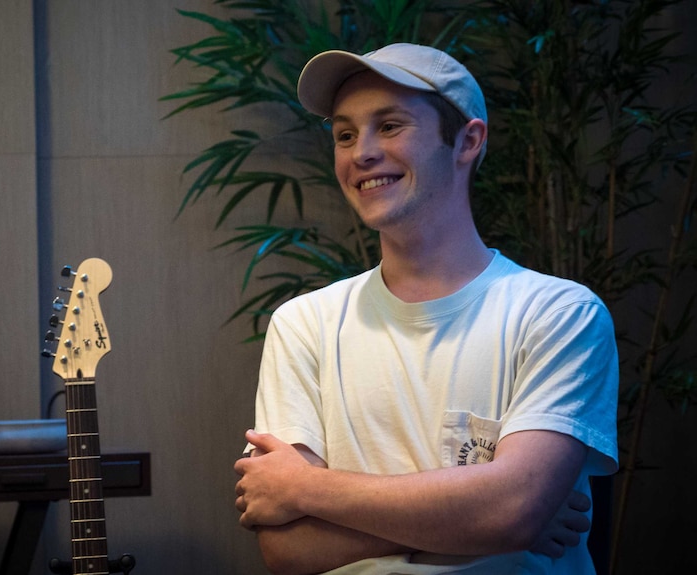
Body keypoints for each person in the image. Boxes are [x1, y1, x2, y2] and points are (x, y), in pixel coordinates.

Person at [233, 43, 619, 575]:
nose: (361, 153)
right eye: (345, 134)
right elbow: (288, 550)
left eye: (389, 126)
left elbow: (511, 511)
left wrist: (307, 489)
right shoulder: (304, 324)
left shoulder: (560, 313)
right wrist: (472, 524)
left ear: (467, 141)